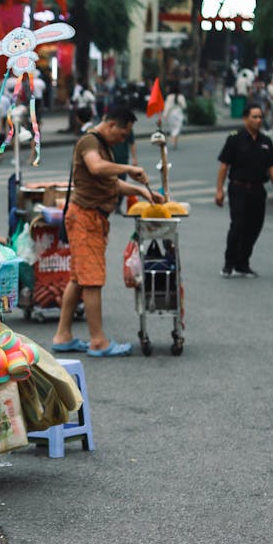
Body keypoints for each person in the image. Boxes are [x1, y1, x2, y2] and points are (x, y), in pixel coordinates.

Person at [51, 107, 162, 357]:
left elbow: (109, 181)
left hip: (89, 218)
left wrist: (141, 190)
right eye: (122, 134)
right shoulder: (90, 141)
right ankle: (98, 341)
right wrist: (129, 168)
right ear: (111, 125)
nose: (123, 139)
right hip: (85, 218)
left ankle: (63, 335)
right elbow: (97, 167)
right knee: (92, 280)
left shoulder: (100, 143)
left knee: (78, 279)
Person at [215, 103, 273, 278]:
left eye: (261, 117)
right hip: (238, 188)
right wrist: (219, 190)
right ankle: (228, 264)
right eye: (254, 117)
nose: (258, 120)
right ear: (245, 118)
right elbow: (224, 166)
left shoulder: (266, 142)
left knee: (254, 227)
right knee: (238, 225)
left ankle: (243, 263)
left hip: (257, 190)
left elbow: (272, 167)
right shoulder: (234, 139)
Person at [164, 82, 187, 150]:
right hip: (178, 114)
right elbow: (184, 106)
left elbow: (167, 107)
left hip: (171, 114)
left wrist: (165, 115)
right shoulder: (181, 97)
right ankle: (174, 141)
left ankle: (174, 142)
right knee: (177, 128)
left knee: (172, 128)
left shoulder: (169, 97)